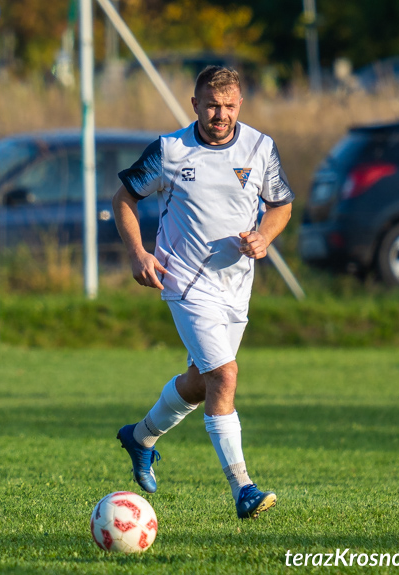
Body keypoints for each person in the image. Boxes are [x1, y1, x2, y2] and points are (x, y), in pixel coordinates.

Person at [112, 66, 294, 519]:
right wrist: (138, 253)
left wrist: (264, 236)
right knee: (226, 376)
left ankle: (140, 437)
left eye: (230, 106)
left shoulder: (260, 147)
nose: (221, 114)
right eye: (212, 105)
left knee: (201, 383)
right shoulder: (171, 150)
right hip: (186, 283)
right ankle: (243, 488)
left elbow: (282, 205)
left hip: (237, 287)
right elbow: (124, 198)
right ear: (195, 104)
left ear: (240, 106)